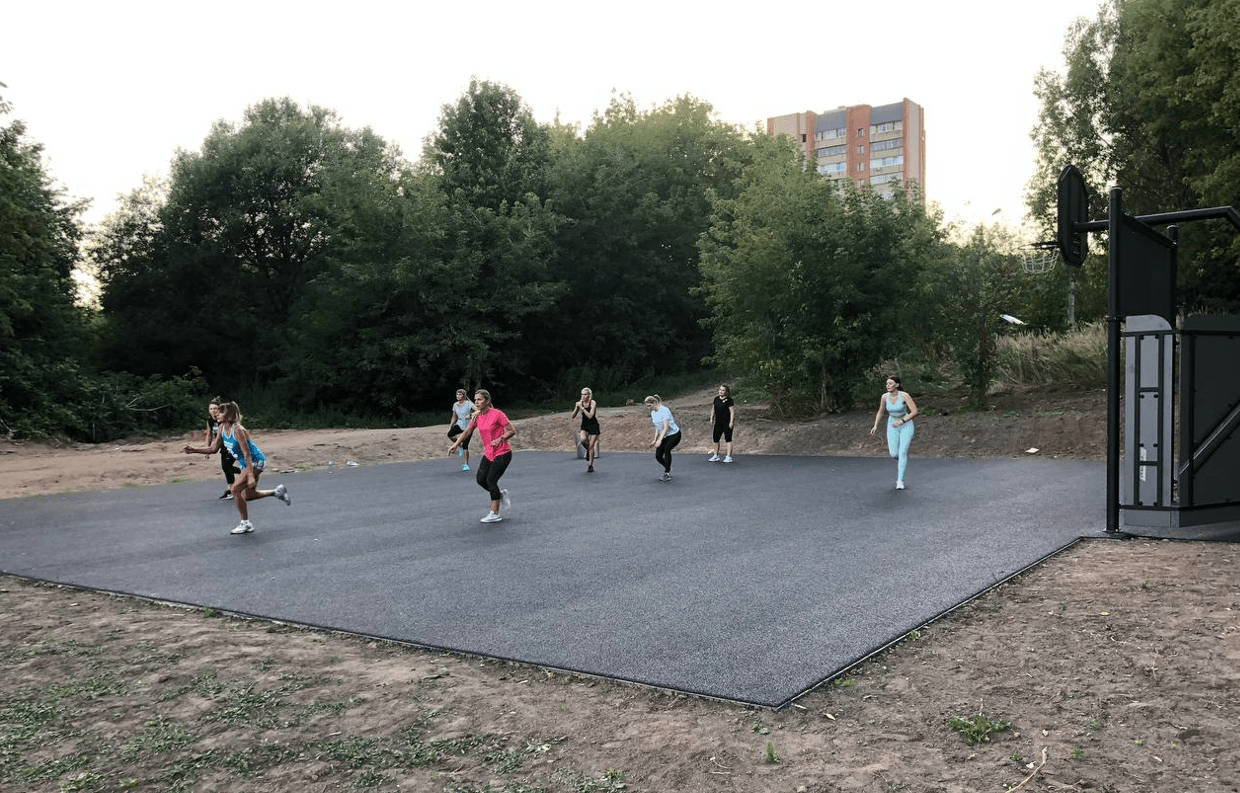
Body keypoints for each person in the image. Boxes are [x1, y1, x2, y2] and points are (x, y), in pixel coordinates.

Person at [183, 401, 291, 534]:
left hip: (255, 461)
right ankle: (277, 492)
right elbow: (213, 449)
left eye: (220, 411)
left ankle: (245, 524)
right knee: (249, 496)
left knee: (235, 489)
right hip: (246, 463)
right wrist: (194, 450)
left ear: (229, 415)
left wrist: (250, 475)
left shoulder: (238, 430)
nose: (216, 413)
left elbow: (247, 454)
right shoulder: (222, 428)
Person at [448, 389, 515, 523]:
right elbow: (467, 431)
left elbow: (512, 431)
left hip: (503, 453)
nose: (476, 402)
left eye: (479, 399)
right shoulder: (477, 416)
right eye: (475, 399)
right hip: (489, 453)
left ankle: (494, 513)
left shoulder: (497, 414)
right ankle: (500, 495)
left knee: (491, 481)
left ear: (487, 401)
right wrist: (456, 444)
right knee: (480, 480)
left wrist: (500, 439)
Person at [870, 375, 920, 490]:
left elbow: (915, 412)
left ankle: (900, 481)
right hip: (892, 424)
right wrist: (875, 425)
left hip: (906, 424)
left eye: (891, 383)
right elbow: (880, 411)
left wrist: (902, 421)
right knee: (894, 454)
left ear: (897, 385)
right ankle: (902, 460)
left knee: (902, 452)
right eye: (887, 384)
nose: (888, 386)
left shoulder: (904, 395)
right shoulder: (884, 397)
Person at [206, 398, 240, 499]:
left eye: (215, 408)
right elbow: (209, 435)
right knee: (226, 468)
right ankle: (245, 474)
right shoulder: (210, 421)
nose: (213, 411)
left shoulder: (224, 419)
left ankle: (231, 491)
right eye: (211, 409)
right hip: (223, 447)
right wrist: (207, 450)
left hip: (233, 445)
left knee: (226, 466)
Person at [644, 394, 682, 482]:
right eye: (647, 406)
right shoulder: (653, 413)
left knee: (667, 449)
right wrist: (655, 440)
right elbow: (658, 427)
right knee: (658, 456)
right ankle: (668, 467)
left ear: (654, 403)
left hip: (674, 434)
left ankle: (666, 473)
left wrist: (660, 440)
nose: (648, 407)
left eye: (649, 405)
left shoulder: (664, 411)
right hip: (664, 435)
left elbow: (665, 427)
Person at [571, 387, 601, 473]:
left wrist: (582, 408)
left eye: (585, 394)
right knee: (583, 440)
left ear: (589, 395)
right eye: (582, 394)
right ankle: (589, 451)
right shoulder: (580, 403)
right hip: (584, 425)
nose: (583, 396)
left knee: (591, 446)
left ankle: (590, 465)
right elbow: (573, 416)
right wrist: (577, 408)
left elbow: (590, 416)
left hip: (593, 425)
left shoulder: (593, 403)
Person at [447, 389, 475, 473]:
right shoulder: (455, 405)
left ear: (463, 396)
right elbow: (454, 416)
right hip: (459, 424)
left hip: (468, 427)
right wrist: (451, 425)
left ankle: (465, 464)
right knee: (450, 434)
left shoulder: (469, 404)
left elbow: (477, 411)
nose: (458, 396)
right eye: (457, 394)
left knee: (466, 446)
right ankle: (459, 446)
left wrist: (470, 415)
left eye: (459, 394)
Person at [708, 384, 736, 463]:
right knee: (715, 439)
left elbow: (732, 412)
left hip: (726, 422)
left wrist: (731, 422)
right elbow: (713, 409)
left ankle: (728, 457)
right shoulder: (716, 399)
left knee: (728, 439)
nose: (720, 391)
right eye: (720, 390)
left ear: (726, 392)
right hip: (718, 422)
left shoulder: (729, 400)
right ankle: (715, 455)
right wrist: (711, 418)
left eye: (723, 390)